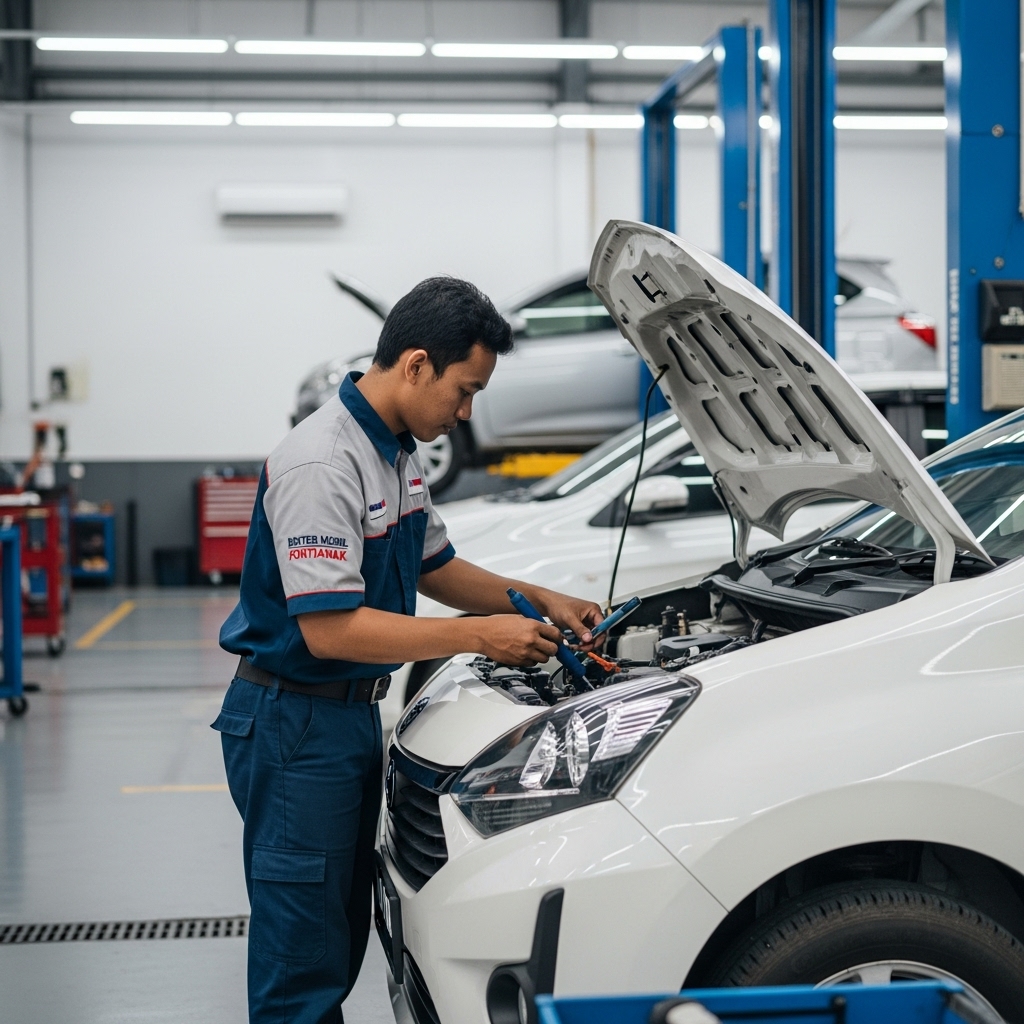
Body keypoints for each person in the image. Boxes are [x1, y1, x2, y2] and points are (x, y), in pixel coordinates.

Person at [213, 276, 604, 1024]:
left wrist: (537, 597)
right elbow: (330, 629)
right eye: (464, 391)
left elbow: (435, 566)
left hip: (348, 718)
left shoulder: (392, 452)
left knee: (338, 934)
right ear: (418, 365)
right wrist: (479, 635)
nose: (466, 414)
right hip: (295, 725)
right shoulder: (323, 462)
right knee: (302, 958)